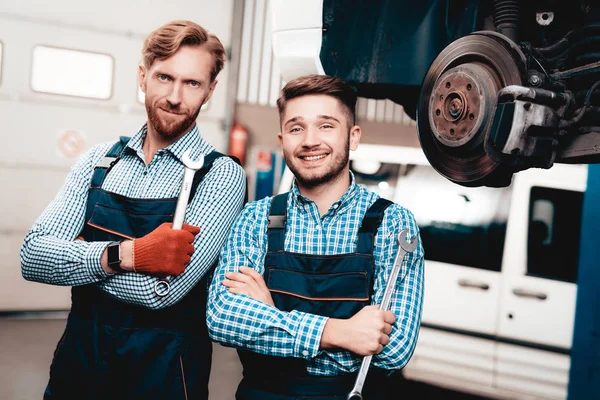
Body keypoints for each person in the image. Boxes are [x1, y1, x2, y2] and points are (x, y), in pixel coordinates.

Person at [20, 20, 246, 400]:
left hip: (164, 370)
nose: (175, 96)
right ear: (143, 77)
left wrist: (78, 257)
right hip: (80, 361)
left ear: (210, 90)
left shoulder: (219, 175)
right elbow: (33, 256)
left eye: (192, 83)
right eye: (164, 77)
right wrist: (130, 254)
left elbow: (161, 292)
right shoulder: (99, 161)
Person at [207, 74, 424, 400]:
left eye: (326, 126)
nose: (310, 140)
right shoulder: (255, 218)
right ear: (282, 140)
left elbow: (393, 351)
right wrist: (341, 333)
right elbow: (223, 317)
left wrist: (271, 314)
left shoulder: (393, 224)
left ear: (353, 137)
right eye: (296, 128)